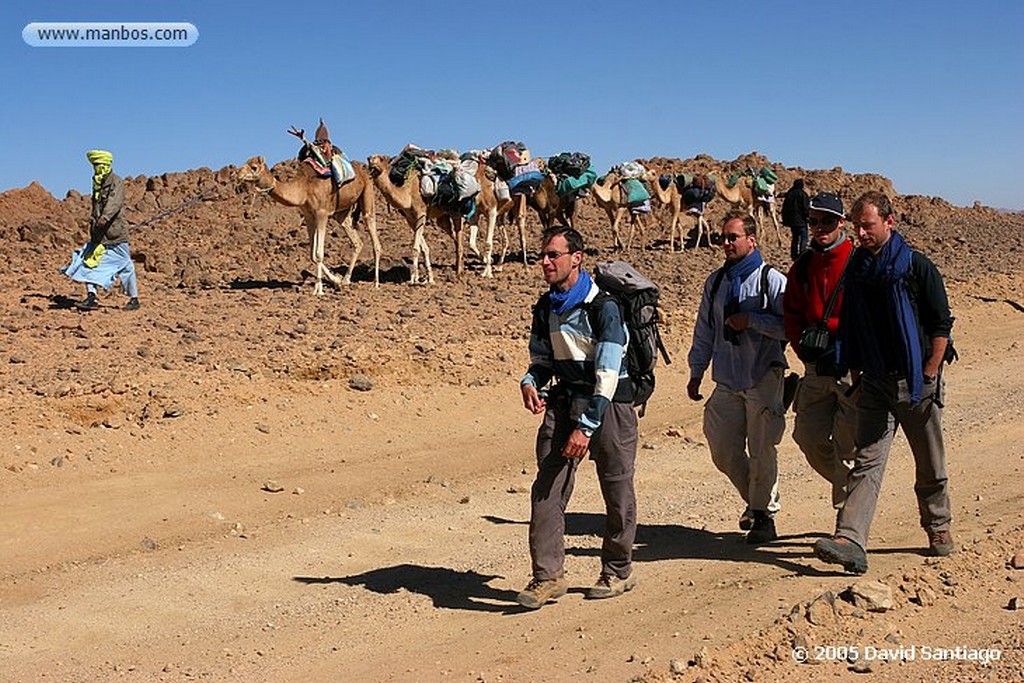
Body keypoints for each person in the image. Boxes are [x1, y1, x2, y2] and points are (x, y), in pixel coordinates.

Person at [813, 191, 956, 574]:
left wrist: (928, 373)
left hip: (915, 383)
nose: (860, 233)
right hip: (874, 382)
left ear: (889, 222)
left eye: (868, 226)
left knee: (929, 461)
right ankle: (850, 540)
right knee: (867, 461)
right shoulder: (858, 268)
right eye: (857, 226)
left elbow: (941, 324)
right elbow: (856, 326)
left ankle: (938, 526)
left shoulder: (915, 267)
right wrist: (858, 374)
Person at [516, 225, 638, 609]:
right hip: (565, 400)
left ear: (576, 258)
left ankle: (617, 569)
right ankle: (547, 577)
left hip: (609, 406)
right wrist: (530, 380)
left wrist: (586, 427)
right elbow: (542, 360)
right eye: (543, 255)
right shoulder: (545, 306)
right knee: (547, 489)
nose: (546, 262)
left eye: (554, 255)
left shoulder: (604, 308)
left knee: (616, 488)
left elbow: (606, 374)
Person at [687, 210, 788, 544]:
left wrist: (753, 321)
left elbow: (791, 327)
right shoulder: (716, 282)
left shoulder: (770, 280)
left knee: (762, 449)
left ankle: (763, 515)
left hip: (763, 374)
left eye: (733, 237)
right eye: (723, 237)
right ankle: (757, 502)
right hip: (727, 377)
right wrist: (696, 371)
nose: (726, 243)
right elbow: (705, 330)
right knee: (723, 446)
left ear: (751, 239)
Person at [783, 192, 856, 510]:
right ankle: (857, 489)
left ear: (841, 222)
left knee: (847, 446)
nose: (820, 227)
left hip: (852, 369)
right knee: (807, 438)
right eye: (814, 221)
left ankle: (848, 524)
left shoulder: (859, 261)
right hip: (816, 366)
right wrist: (802, 349)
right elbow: (792, 312)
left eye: (828, 220)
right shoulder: (803, 266)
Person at [61, 150, 140, 311]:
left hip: (114, 235)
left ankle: (134, 299)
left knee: (126, 266)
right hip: (99, 235)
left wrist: (104, 218)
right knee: (89, 262)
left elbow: (114, 203)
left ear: (106, 165)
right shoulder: (97, 183)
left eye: (99, 165)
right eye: (95, 165)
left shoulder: (116, 182)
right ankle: (91, 296)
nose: (97, 168)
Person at [781, 178, 810, 260]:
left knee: (795, 238)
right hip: (802, 221)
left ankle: (794, 255)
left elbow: (785, 208)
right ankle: (802, 254)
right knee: (803, 238)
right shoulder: (803, 194)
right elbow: (805, 208)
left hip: (792, 222)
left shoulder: (789, 194)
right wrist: (808, 217)